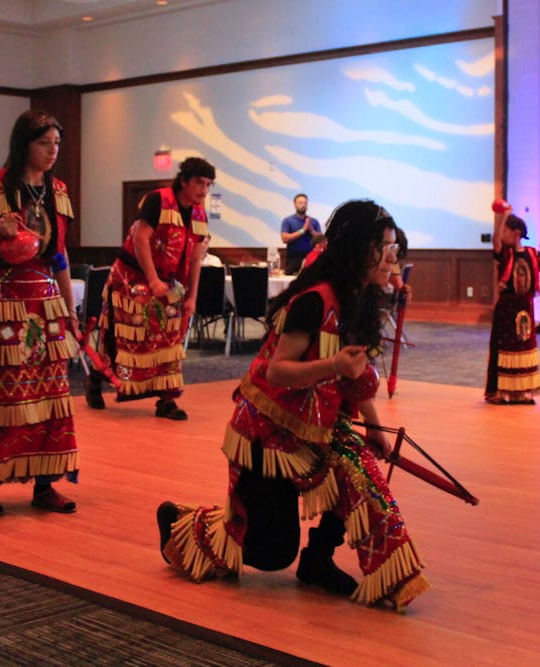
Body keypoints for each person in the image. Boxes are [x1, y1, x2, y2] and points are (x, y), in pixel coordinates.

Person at [156, 199, 430, 611]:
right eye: (384, 246)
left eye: (393, 246)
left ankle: (319, 560)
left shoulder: (360, 299)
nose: (392, 257)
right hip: (267, 431)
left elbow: (353, 374)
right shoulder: (315, 300)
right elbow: (277, 372)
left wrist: (373, 425)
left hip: (316, 425)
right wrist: (332, 365)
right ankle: (181, 525)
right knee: (269, 553)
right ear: (358, 248)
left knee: (362, 477)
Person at [0, 110, 80, 516]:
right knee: (0, 393)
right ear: (24, 144)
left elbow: (59, 256)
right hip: (4, 299)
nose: (52, 151)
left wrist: (70, 309)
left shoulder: (57, 190)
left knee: (49, 393)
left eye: (57, 144)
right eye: (44, 143)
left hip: (45, 301)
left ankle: (44, 483)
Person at [88, 157, 214, 418]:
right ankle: (97, 378)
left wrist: (192, 295)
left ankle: (166, 399)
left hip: (168, 282)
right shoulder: (158, 199)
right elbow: (140, 238)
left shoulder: (200, 214)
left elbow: (195, 258)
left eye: (208, 185)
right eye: (199, 183)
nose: (204, 190)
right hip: (130, 277)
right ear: (184, 181)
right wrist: (153, 279)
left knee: (171, 336)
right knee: (123, 336)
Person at [484, 206, 540, 405]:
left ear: (516, 233)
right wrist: (502, 216)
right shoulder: (505, 254)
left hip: (525, 309)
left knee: (524, 347)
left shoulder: (532, 254)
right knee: (504, 348)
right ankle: (501, 392)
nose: (502, 235)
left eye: (506, 231)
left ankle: (523, 392)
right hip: (507, 309)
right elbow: (495, 241)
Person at [280, 193, 322, 274]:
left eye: (305, 203)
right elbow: (284, 239)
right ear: (295, 204)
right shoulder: (288, 220)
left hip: (311, 258)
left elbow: (320, 240)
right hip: (293, 259)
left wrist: (311, 230)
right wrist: (303, 230)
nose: (303, 205)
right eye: (300, 203)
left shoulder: (313, 221)